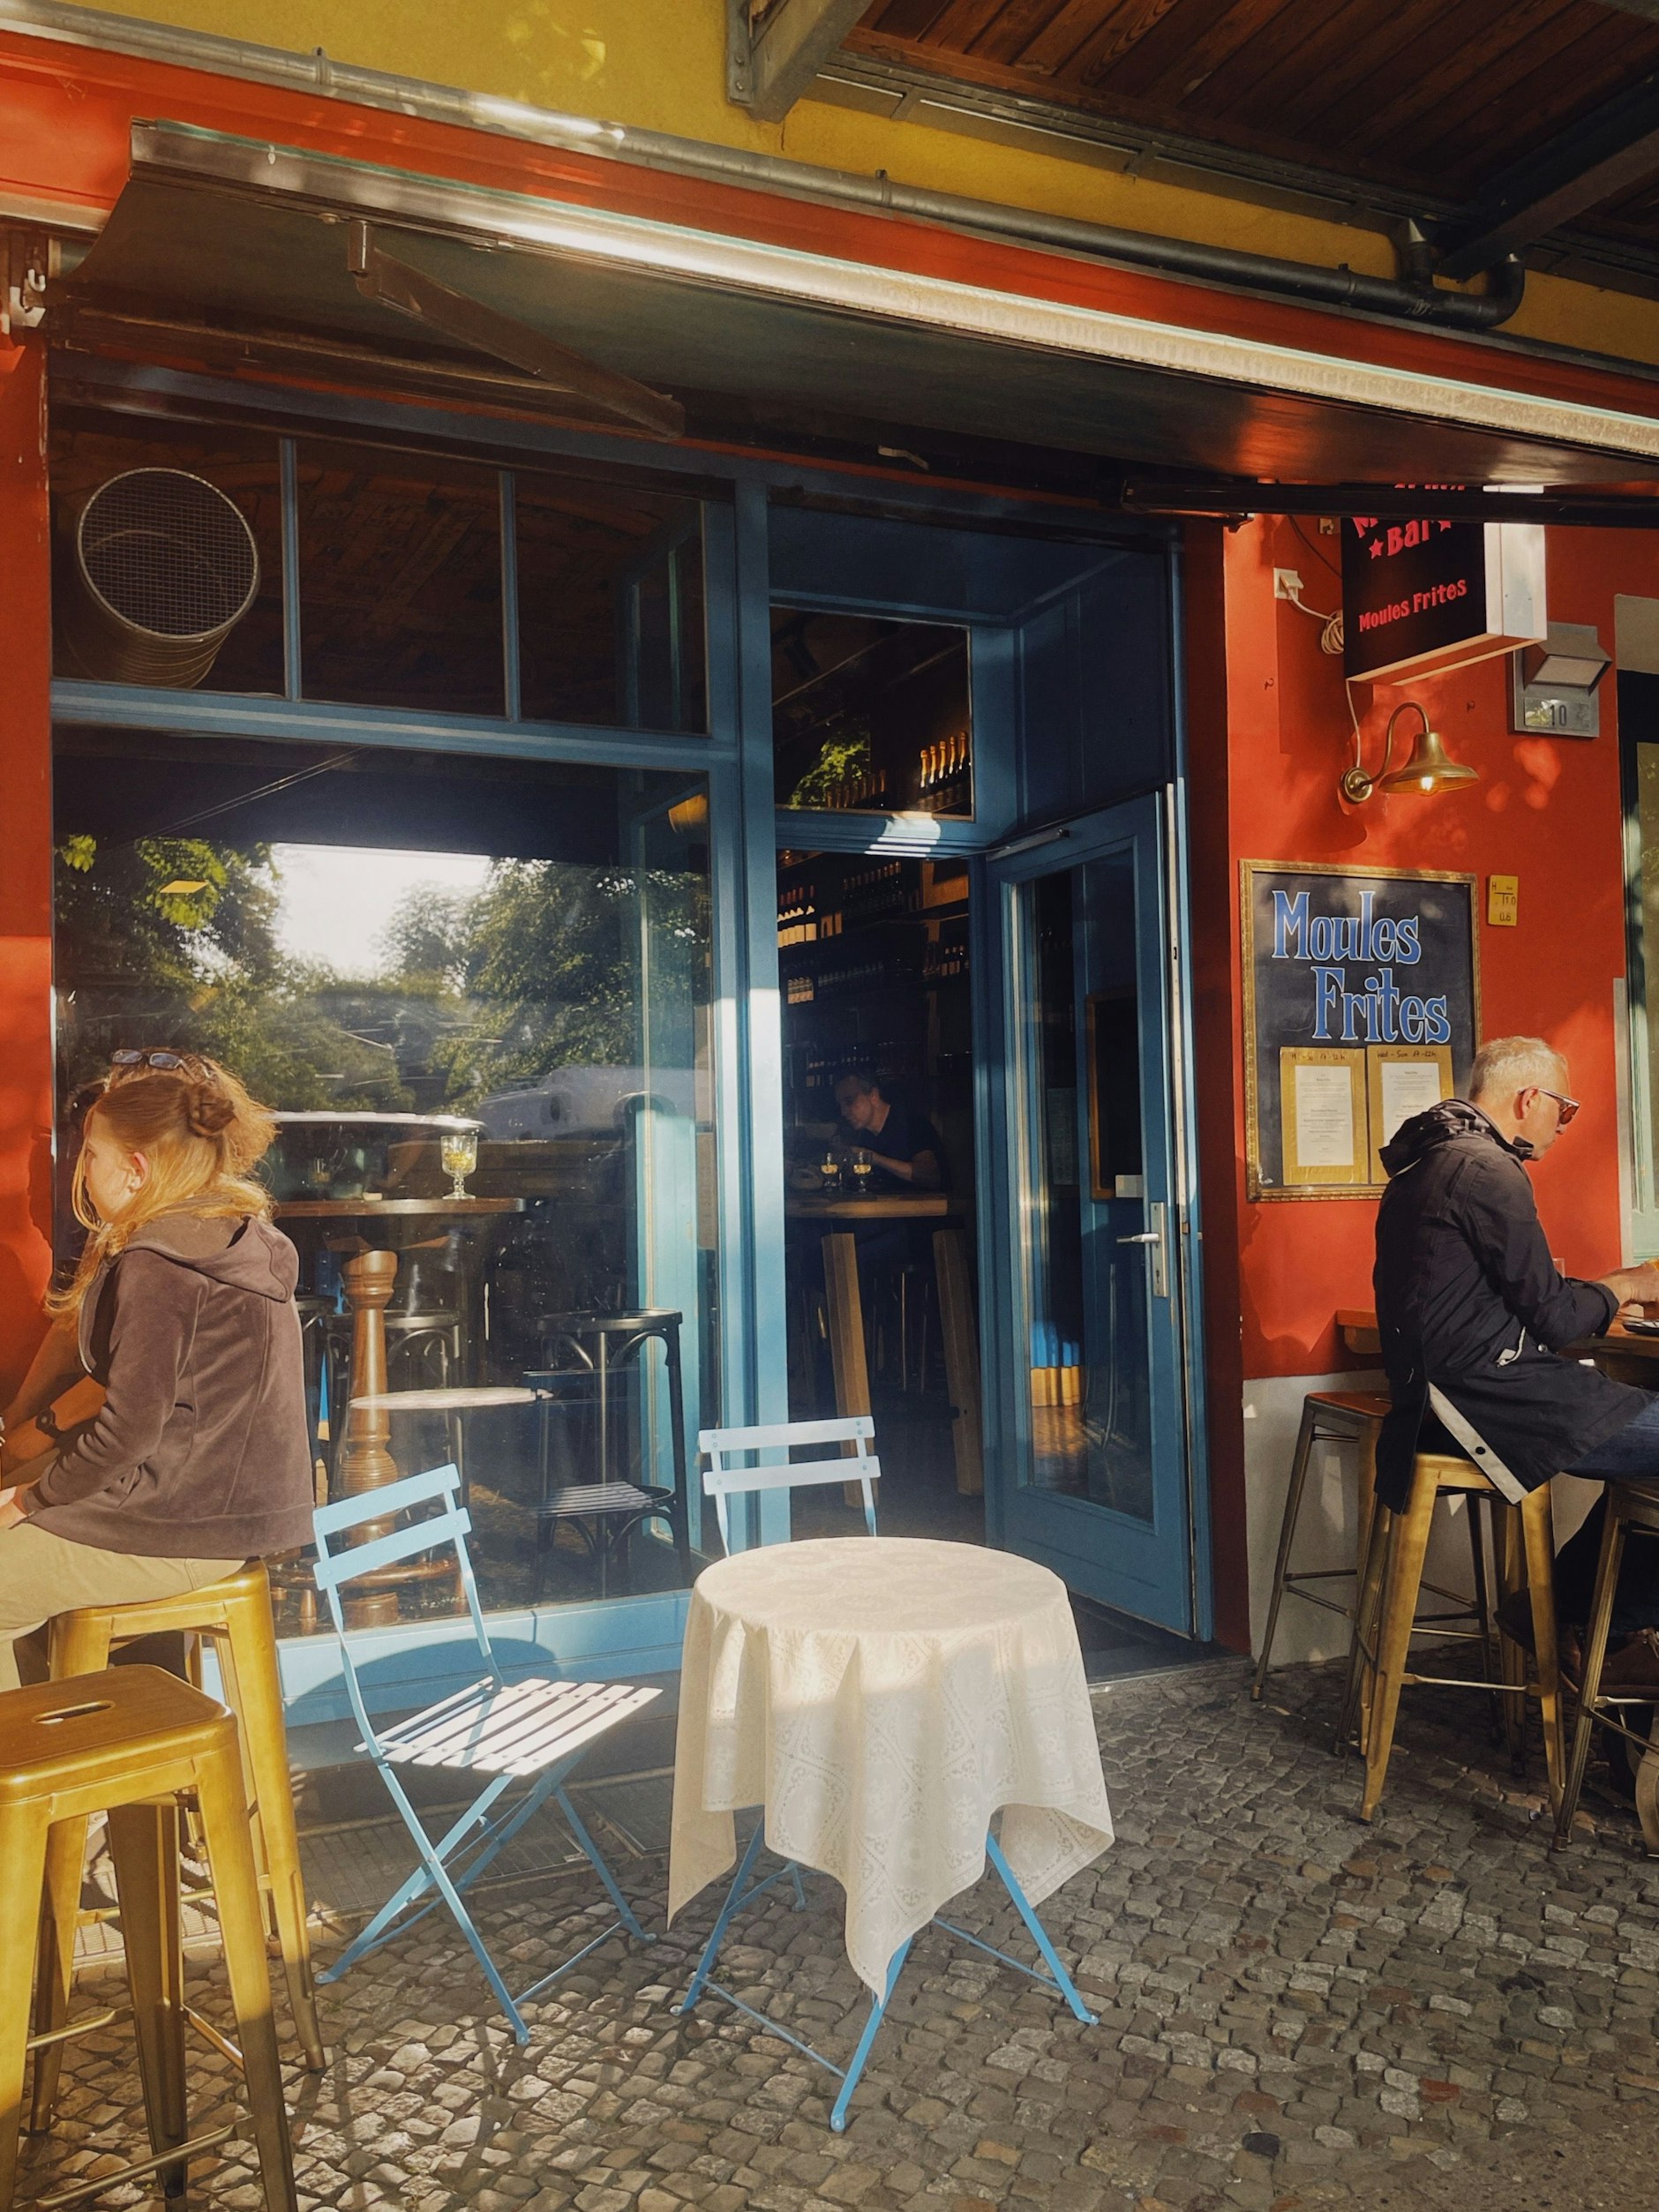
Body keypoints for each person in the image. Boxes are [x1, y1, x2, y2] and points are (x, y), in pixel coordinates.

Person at [0, 1054, 315, 1693]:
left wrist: (26, 1500)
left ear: (136, 1169)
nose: (81, 1170)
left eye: (90, 1154)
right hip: (240, 1514)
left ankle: (34, 1787)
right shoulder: (240, 1237)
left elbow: (128, 1429)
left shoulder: (157, 1261)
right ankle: (77, 1762)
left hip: (181, 1519)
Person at [1374, 1034, 1659, 1678]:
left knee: (1643, 1459)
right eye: (1566, 1110)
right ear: (1530, 1098)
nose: (1563, 1126)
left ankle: (1567, 1610)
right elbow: (1555, 1319)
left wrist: (1605, 1288)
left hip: (1438, 1398)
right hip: (1493, 1400)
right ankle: (1602, 1617)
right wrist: (1628, 1284)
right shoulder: (1487, 1169)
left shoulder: (1426, 1160)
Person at [831, 1072, 945, 1193]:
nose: (843, 1112)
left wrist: (874, 1158)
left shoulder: (912, 1124)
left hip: (924, 1208)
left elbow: (931, 1177)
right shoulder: (862, 1135)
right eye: (840, 1105)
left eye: (849, 1102)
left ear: (873, 1096)